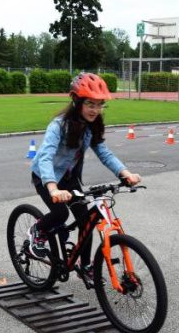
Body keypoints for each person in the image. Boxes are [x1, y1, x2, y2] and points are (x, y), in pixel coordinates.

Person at [28, 72, 141, 283]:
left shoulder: (92, 126)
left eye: (99, 105)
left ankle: (85, 264)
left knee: (86, 221)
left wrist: (125, 173)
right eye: (90, 104)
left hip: (69, 178)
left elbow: (104, 153)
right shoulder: (58, 125)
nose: (95, 110)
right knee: (60, 213)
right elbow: (45, 157)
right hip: (46, 176)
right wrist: (53, 188)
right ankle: (38, 231)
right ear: (76, 101)